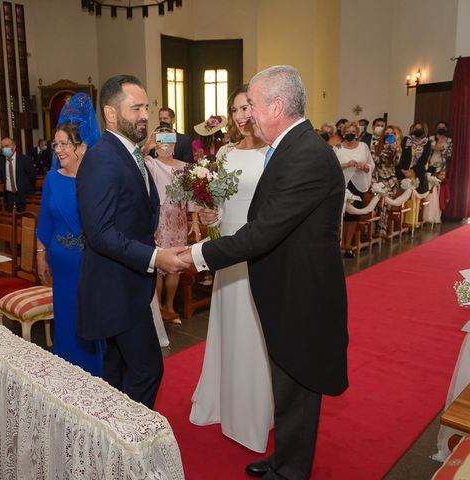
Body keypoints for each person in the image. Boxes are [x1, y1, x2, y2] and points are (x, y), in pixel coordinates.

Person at [181, 65, 348, 479]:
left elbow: (262, 232)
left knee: (298, 385)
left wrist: (193, 255)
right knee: (285, 384)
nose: (247, 114)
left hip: (303, 294)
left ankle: (292, 472)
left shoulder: (307, 154)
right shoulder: (290, 146)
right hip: (286, 287)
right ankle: (285, 458)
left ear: (276, 105)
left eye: (252, 104)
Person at [75, 74, 188, 408]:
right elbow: (100, 233)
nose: (145, 115)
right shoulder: (102, 158)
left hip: (129, 284)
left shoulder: (129, 154)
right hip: (116, 289)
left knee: (118, 370)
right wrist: (156, 257)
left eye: (146, 107)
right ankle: (131, 446)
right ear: (111, 114)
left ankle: (110, 443)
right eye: (136, 107)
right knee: (147, 370)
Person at [189, 84, 274, 453]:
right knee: (228, 325)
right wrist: (212, 213)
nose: (241, 117)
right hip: (227, 247)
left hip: (260, 249)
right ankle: (222, 401)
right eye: (235, 110)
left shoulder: (274, 152)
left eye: (246, 108)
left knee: (254, 326)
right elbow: (219, 205)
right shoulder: (223, 153)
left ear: (260, 110)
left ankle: (254, 409)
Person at [36, 94, 104, 376]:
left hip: (89, 264)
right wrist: (41, 255)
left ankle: (95, 371)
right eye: (56, 143)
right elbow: (45, 220)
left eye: (65, 143)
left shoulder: (96, 179)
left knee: (89, 317)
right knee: (65, 317)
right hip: (60, 265)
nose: (59, 149)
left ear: (82, 146)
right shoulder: (52, 178)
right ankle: (68, 372)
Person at [143, 125, 190, 322]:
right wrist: (147, 145)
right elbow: (135, 161)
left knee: (176, 264)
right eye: (161, 139)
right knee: (159, 265)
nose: (165, 144)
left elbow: (191, 196)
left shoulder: (184, 166)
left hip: (179, 218)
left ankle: (170, 306)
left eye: (169, 139)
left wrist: (194, 219)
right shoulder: (150, 163)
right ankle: (159, 308)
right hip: (160, 218)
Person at [333, 121, 375, 257]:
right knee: (342, 215)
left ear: (357, 134)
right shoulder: (337, 148)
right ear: (343, 133)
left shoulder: (363, 146)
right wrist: (346, 165)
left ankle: (348, 245)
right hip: (342, 184)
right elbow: (331, 167)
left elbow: (371, 164)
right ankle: (338, 244)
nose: (350, 134)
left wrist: (364, 167)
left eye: (353, 132)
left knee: (353, 215)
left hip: (358, 184)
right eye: (348, 132)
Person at [372, 125, 402, 237]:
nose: (389, 135)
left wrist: (392, 149)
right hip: (377, 178)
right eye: (387, 133)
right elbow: (376, 161)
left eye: (392, 134)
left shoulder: (397, 148)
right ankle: (372, 230)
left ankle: (382, 230)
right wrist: (384, 149)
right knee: (375, 206)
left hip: (389, 181)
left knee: (385, 206)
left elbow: (396, 162)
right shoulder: (375, 147)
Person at [0, 137, 36, 212]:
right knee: (11, 220)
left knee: (26, 220)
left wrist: (24, 187)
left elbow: (32, 176)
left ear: (14, 146)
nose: (4, 149)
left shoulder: (25, 159)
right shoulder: (0, 161)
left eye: (6, 146)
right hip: (9, 196)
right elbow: (2, 178)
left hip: (24, 195)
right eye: (2, 147)